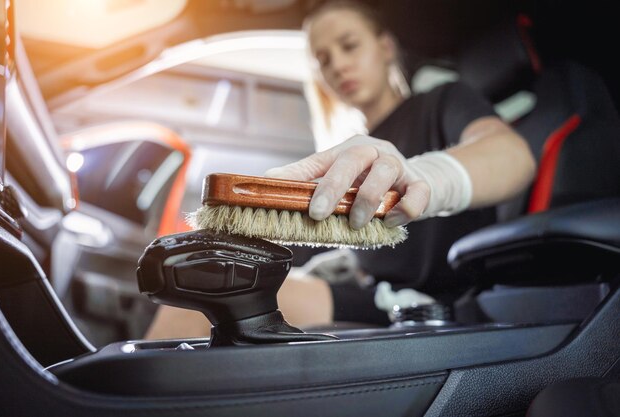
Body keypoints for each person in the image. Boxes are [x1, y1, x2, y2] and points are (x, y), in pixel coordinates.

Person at [144, 0, 536, 339]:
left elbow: (512, 157)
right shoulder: (352, 151)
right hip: (372, 294)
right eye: (324, 59)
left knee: (196, 306)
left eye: (349, 46)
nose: (338, 66)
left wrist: (427, 178)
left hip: (432, 304)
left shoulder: (442, 102)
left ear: (385, 47)